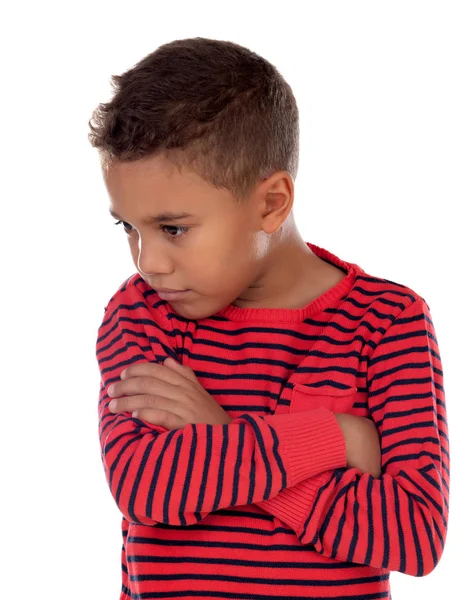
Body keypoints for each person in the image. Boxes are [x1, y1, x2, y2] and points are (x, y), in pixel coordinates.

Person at [90, 37, 449, 600]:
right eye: (127, 228)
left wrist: (218, 434)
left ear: (271, 202)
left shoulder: (387, 323)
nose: (149, 262)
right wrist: (334, 437)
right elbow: (147, 485)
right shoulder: (141, 314)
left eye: (174, 228)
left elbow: (414, 534)